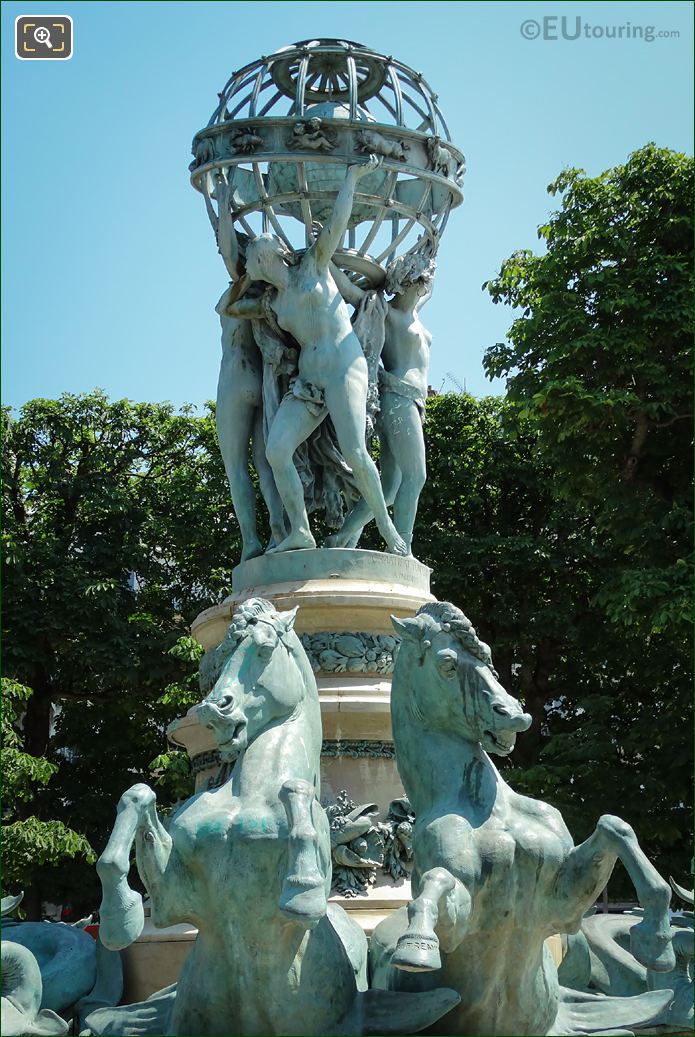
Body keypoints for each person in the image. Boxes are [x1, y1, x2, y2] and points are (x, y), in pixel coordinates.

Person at [226, 158, 407, 556]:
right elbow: (230, 310)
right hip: (309, 380)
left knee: (357, 453)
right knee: (276, 451)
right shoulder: (274, 302)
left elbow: (337, 224)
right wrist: (241, 284)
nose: (253, 263)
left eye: (254, 258)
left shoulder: (314, 266)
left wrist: (353, 177)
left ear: (268, 259)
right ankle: (301, 532)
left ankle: (389, 531)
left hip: (344, 369)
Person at [325, 249, 435, 556]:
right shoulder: (385, 313)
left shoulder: (415, 311)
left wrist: (429, 243)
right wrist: (325, 259)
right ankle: (403, 550)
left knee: (387, 490)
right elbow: (349, 293)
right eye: (421, 279)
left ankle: (341, 537)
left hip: (413, 403)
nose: (425, 285)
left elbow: (432, 272)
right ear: (408, 281)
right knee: (416, 476)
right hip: (397, 399)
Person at [211, 175, 288, 560]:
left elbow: (224, 244)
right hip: (262, 380)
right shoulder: (268, 298)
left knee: (236, 466)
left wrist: (222, 202)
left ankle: (250, 542)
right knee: (265, 461)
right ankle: (278, 530)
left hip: (235, 377)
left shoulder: (238, 287)